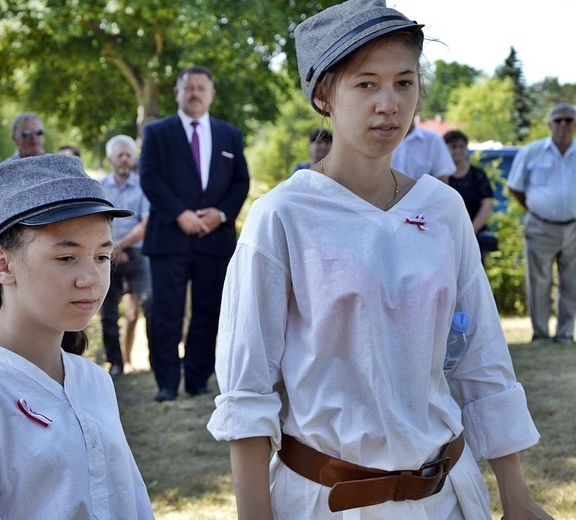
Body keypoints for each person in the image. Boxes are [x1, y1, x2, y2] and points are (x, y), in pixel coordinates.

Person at [206, 1, 553, 518]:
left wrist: (517, 497)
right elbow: (248, 393)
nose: (389, 104)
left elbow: (481, 359)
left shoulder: (442, 208)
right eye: (365, 84)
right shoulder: (283, 217)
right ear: (323, 94)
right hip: (329, 503)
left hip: (447, 499)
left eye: (404, 83)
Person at [0, 154, 154, 519]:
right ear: (2, 264)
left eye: (102, 256)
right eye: (67, 258)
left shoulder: (93, 382)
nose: (92, 279)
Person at [139, 64, 250, 402]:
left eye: (202, 87)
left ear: (212, 94)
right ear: (177, 93)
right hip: (169, 237)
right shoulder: (157, 132)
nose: (195, 93)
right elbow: (150, 177)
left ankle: (198, 378)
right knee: (166, 312)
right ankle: (167, 383)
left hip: (214, 240)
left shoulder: (229, 134)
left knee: (209, 310)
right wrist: (179, 214)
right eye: (189, 87)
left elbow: (240, 181)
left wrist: (221, 214)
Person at [508, 103, 576, 345]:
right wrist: (536, 210)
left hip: (573, 227)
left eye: (569, 120)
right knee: (539, 281)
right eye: (558, 120)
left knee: (572, 282)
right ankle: (540, 334)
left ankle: (566, 334)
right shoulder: (532, 152)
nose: (563, 125)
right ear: (549, 125)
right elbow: (514, 187)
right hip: (540, 225)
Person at [99, 135, 152, 377]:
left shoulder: (144, 186)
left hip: (137, 253)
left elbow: (145, 224)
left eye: (128, 155)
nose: (124, 159)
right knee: (108, 313)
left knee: (149, 304)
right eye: (119, 154)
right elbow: (96, 223)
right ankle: (116, 363)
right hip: (106, 254)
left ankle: (155, 362)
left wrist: (119, 246)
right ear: (110, 159)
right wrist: (111, 249)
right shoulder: (99, 188)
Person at [444, 129, 496, 258]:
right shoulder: (439, 176)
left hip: (474, 236)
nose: (458, 150)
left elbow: (487, 203)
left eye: (462, 146)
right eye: (453, 147)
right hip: (445, 237)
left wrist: (471, 230)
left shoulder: (477, 175)